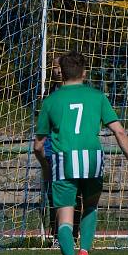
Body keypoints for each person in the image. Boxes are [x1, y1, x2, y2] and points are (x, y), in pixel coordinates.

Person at [33, 51, 128, 255]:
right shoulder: (97, 96)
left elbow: (38, 145)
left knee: (64, 218)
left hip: (64, 160)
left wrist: (46, 166)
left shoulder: (50, 101)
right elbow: (119, 131)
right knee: (90, 208)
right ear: (84, 72)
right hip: (92, 160)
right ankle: (84, 254)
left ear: (60, 72)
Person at [43, 54, 81, 244]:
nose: (57, 70)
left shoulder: (80, 92)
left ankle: (74, 234)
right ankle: (57, 235)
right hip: (53, 152)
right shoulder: (49, 94)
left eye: (60, 67)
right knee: (54, 194)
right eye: (54, 67)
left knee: (76, 194)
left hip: (74, 151)